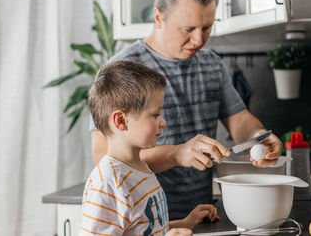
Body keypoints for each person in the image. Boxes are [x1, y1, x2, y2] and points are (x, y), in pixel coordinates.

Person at [91, 0, 282, 220]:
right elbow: (103, 155)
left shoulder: (211, 64)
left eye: (206, 27)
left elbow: (240, 120)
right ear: (158, 17)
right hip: (142, 222)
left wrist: (257, 137)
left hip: (199, 217)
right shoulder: (121, 71)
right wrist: (176, 154)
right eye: (188, 28)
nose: (198, 39)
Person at [81, 60, 218, 236]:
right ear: (121, 121)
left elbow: (145, 228)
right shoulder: (108, 183)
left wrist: (186, 222)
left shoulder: (138, 168)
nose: (163, 122)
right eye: (155, 115)